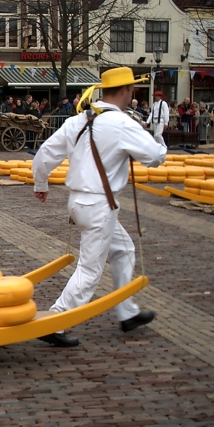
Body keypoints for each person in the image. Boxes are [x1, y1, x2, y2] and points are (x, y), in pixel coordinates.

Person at [32, 67, 166, 347]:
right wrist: (156, 144)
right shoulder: (122, 124)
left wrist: (41, 184)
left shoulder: (78, 120)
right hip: (99, 206)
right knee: (90, 269)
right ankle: (56, 320)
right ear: (126, 91)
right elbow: (154, 156)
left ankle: (127, 311)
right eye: (132, 90)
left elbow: (45, 153)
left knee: (123, 250)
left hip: (78, 203)